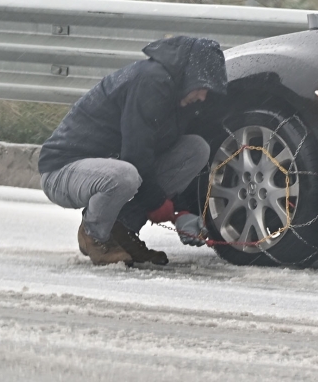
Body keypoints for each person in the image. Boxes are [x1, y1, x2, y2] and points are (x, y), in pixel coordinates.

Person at [38, 36, 227, 266]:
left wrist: (183, 211)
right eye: (202, 87)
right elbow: (137, 154)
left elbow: (157, 157)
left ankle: (121, 231)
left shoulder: (180, 97)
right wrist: (163, 208)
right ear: (189, 75)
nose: (203, 96)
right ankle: (94, 235)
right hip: (63, 170)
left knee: (196, 149)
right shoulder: (151, 81)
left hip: (111, 165)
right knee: (125, 176)